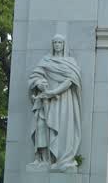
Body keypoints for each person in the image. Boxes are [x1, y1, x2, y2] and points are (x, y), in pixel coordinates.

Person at [28, 34, 83, 172]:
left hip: (64, 101)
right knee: (42, 126)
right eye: (55, 42)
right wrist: (39, 83)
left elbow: (71, 80)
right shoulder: (46, 60)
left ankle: (62, 159)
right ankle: (43, 159)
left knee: (62, 129)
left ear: (64, 45)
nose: (57, 45)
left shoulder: (70, 62)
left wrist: (53, 92)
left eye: (60, 42)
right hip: (46, 101)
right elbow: (35, 76)